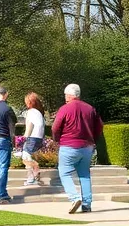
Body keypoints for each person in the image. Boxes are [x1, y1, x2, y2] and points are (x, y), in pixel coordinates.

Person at [51, 83, 103, 214]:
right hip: (87, 147)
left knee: (64, 172)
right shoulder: (90, 108)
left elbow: (55, 127)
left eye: (65, 95)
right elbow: (99, 126)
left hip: (69, 145)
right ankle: (87, 203)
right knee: (84, 174)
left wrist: (57, 139)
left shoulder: (65, 108)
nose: (65, 97)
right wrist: (93, 139)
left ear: (69, 95)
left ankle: (74, 197)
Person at [20, 92, 46, 186]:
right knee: (29, 157)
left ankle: (32, 177)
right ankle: (35, 174)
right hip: (39, 138)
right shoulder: (39, 113)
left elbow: (29, 126)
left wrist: (24, 138)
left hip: (32, 137)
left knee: (26, 157)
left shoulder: (30, 112)